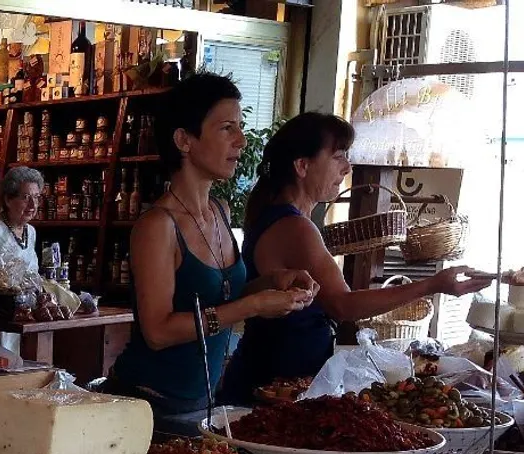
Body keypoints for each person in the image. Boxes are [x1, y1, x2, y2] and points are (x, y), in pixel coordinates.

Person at [220, 112, 488, 404]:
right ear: (302, 165)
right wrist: (431, 285)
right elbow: (343, 305)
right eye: (338, 156)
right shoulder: (295, 227)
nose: (347, 168)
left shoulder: (280, 217)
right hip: (271, 390)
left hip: (271, 381)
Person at [106, 73, 315, 433]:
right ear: (184, 140)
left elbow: (221, 296)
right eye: (226, 128)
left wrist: (273, 283)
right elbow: (158, 331)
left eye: (241, 127)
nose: (242, 140)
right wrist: (252, 307)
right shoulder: (158, 225)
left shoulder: (220, 210)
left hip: (202, 401)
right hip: (148, 406)